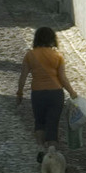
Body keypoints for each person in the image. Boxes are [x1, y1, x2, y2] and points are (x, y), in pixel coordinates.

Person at [15, 28, 72, 157]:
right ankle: (52, 150)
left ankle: (41, 147)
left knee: (39, 122)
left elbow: (23, 76)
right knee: (53, 123)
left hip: (38, 93)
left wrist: (19, 93)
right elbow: (63, 78)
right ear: (52, 39)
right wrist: (73, 93)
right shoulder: (57, 55)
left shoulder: (30, 55)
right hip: (55, 93)